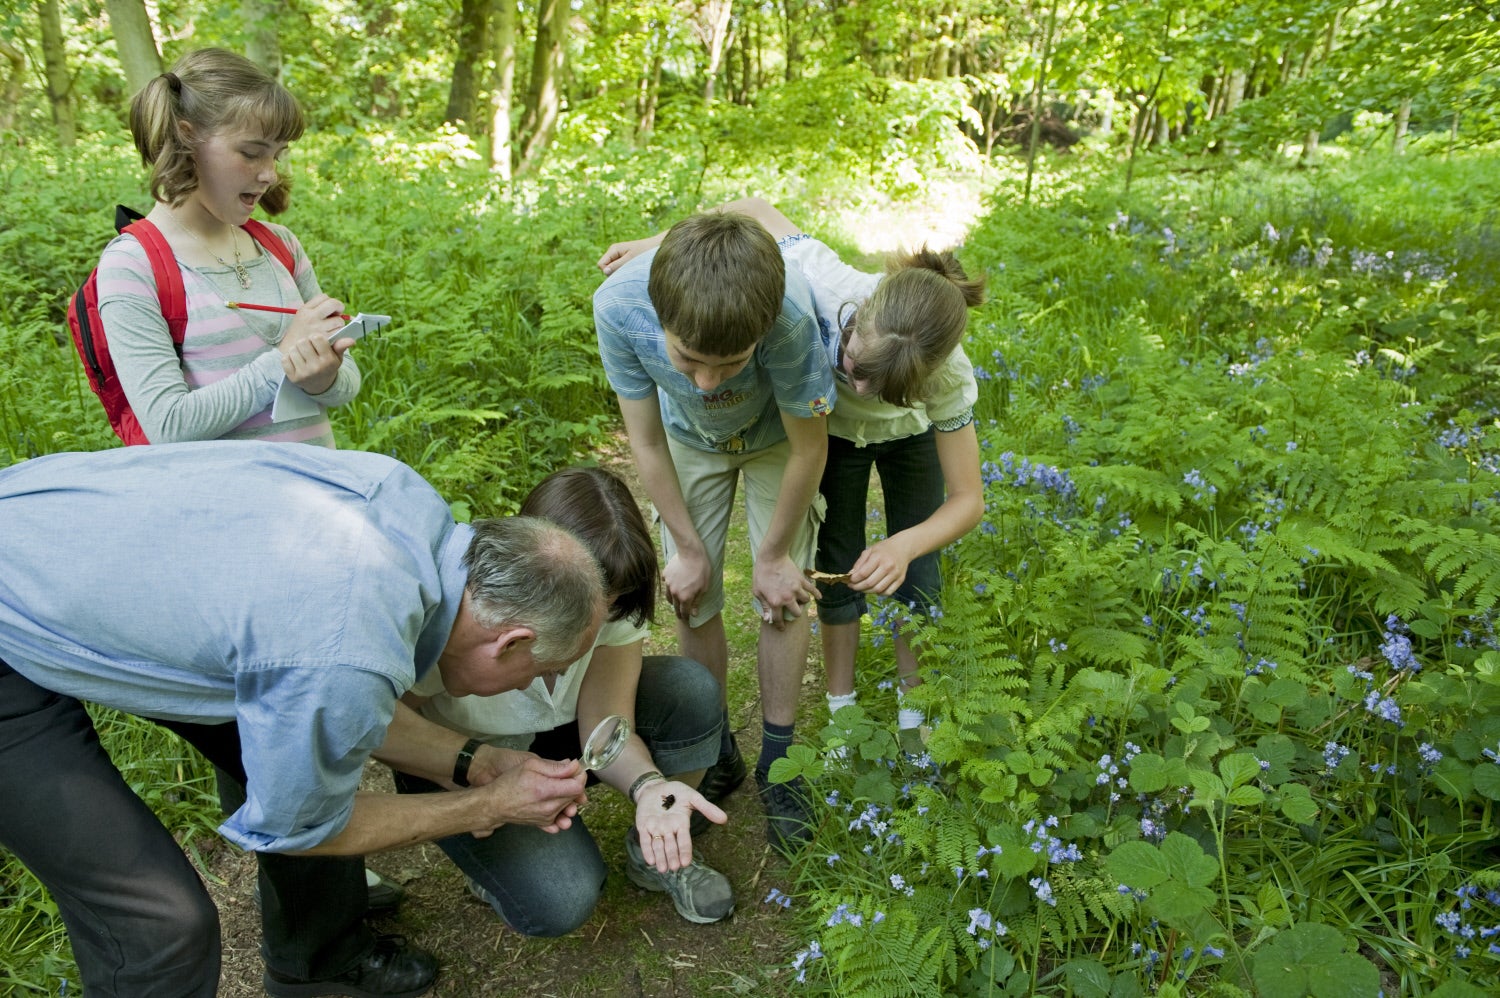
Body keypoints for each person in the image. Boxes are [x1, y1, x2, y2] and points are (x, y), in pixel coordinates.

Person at [0, 441, 608, 998]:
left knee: (303, 755)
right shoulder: (347, 646)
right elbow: (306, 828)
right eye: (541, 670)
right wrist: (489, 807)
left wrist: (476, 761)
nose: (538, 686)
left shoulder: (405, 505)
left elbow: (333, 705)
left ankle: (314, 968)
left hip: (55, 536)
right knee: (161, 926)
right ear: (508, 641)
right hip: (15, 605)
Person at [600, 197, 985, 746]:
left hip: (910, 438)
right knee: (835, 563)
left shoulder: (945, 374)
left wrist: (905, 545)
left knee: (918, 575)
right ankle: (840, 711)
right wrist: (658, 246)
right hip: (831, 435)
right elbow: (748, 213)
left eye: (885, 388)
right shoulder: (819, 279)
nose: (862, 390)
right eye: (854, 369)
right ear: (857, 316)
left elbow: (968, 498)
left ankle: (913, 719)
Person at [396, 467, 734, 930]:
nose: (596, 627)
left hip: (557, 738)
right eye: (586, 607)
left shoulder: (614, 594)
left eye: (611, 607)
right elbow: (383, 726)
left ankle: (652, 849)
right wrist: (473, 782)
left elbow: (608, 725)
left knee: (689, 689)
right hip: (460, 759)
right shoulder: (458, 617)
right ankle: (493, 865)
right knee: (563, 897)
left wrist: (648, 787)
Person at [593, 210, 835, 852]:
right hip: (684, 445)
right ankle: (717, 745)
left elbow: (811, 450)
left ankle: (779, 764)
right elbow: (642, 440)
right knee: (690, 594)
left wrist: (776, 554)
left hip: (777, 442)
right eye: (688, 359)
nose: (704, 381)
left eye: (730, 363)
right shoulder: (619, 308)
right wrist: (689, 550)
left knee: (783, 599)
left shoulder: (791, 321)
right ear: (657, 313)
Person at [99, 48, 360, 446]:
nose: (269, 174)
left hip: (318, 498)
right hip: (221, 506)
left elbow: (346, 385)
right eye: (251, 153)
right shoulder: (134, 265)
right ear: (187, 138)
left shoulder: (280, 245)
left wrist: (324, 375)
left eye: (277, 155)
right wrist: (283, 361)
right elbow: (168, 426)